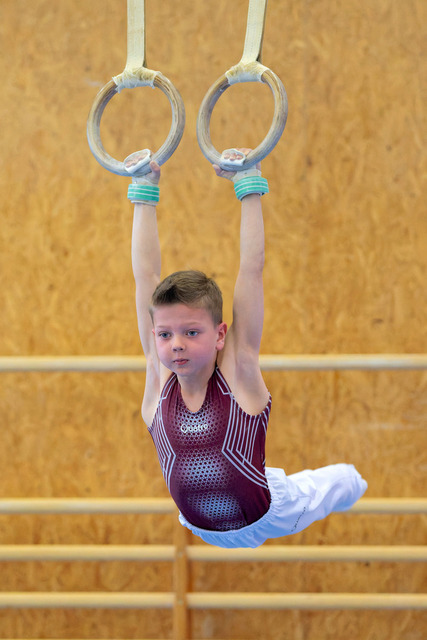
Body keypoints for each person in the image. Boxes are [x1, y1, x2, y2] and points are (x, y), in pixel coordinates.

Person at [128, 148, 367, 549]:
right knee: (148, 296)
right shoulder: (159, 376)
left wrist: (249, 185)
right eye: (165, 335)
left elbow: (251, 270)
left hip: (272, 512)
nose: (176, 344)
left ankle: (355, 485)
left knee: (345, 480)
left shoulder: (237, 370)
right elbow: (144, 278)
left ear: (221, 335)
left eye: (191, 332)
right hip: (200, 526)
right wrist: (143, 190)